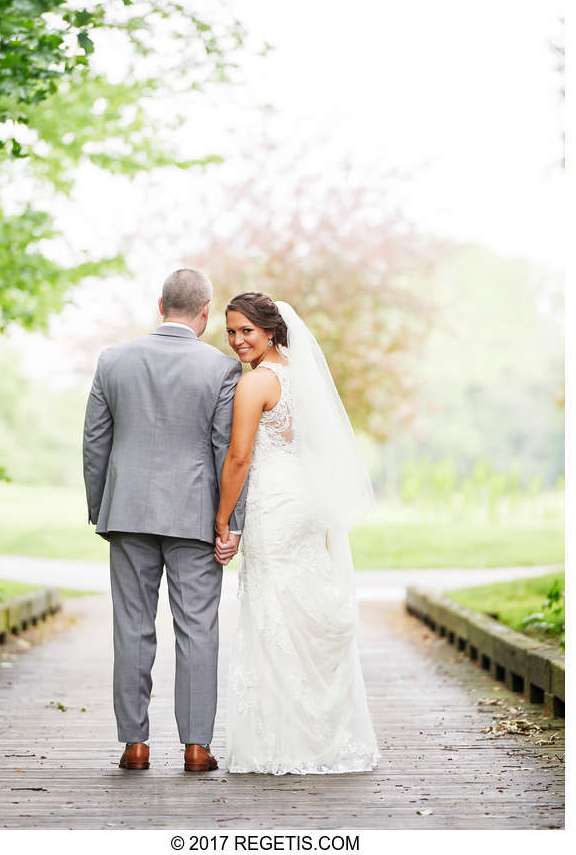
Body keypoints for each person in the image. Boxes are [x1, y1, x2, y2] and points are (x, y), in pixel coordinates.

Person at [83, 268, 246, 773]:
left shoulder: (114, 360)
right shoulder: (222, 369)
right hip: (196, 514)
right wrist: (230, 522)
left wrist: (100, 507)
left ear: (160, 305)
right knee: (198, 629)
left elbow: (95, 443)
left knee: (131, 627)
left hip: (128, 510)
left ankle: (135, 744)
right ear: (204, 311)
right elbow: (227, 449)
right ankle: (197, 747)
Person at [214, 292, 381, 774]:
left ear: (271, 329)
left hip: (275, 504)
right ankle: (324, 736)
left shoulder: (257, 383)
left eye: (247, 330)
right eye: (230, 331)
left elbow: (240, 457)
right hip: (308, 501)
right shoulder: (302, 376)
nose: (238, 340)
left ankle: (285, 743)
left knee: (274, 612)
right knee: (303, 607)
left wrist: (223, 520)